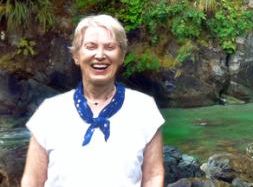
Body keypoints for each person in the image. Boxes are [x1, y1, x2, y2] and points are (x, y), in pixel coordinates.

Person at [21, 15, 165, 187]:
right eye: (91, 47)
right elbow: (32, 180)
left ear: (121, 56)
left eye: (110, 47)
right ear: (76, 55)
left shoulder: (144, 109)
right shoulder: (49, 112)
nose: (100, 55)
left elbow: (153, 176)